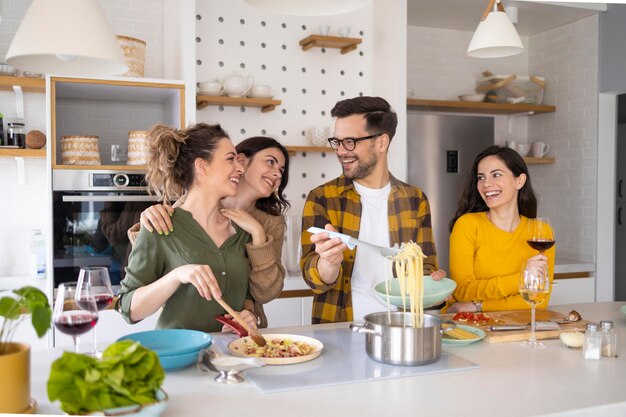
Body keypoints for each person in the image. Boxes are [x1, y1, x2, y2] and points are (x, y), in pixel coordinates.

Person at [301, 96, 445, 324]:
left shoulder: (415, 200)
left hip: (401, 330)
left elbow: (425, 266)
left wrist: (432, 281)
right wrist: (329, 263)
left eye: (349, 141)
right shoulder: (322, 198)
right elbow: (314, 279)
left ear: (381, 142)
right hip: (341, 331)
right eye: (336, 142)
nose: (340, 151)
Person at [128, 136, 290, 328]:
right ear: (242, 161)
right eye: (270, 162)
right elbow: (166, 249)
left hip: (241, 333)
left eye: (281, 170)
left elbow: (259, 290)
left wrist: (249, 313)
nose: (278, 174)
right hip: (184, 334)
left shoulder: (270, 222)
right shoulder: (194, 205)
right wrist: (149, 217)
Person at [116, 123, 258, 332]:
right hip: (178, 355)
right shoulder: (160, 225)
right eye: (230, 159)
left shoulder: (241, 230)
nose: (240, 168)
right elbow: (128, 308)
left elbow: (245, 295)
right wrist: (177, 275)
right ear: (202, 166)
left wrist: (247, 314)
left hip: (230, 356)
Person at [446, 145, 555, 313]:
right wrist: (522, 278)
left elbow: (539, 299)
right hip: (469, 327)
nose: (486, 184)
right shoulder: (467, 225)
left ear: (519, 181)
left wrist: (479, 305)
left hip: (519, 326)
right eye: (481, 177)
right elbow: (463, 291)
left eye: (496, 175)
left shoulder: (540, 232)